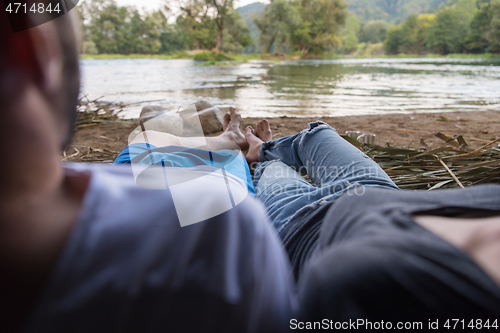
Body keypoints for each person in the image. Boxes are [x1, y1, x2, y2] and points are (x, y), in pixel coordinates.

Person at [0, 7, 297, 333]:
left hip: (131, 172)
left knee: (145, 140)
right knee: (224, 170)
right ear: (32, 48)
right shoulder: (219, 239)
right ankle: (242, 149)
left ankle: (226, 138)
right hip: (181, 203)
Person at [244, 119, 500, 327]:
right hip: (375, 190)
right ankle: (265, 148)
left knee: (273, 167)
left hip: (299, 222)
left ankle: (264, 154)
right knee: (317, 134)